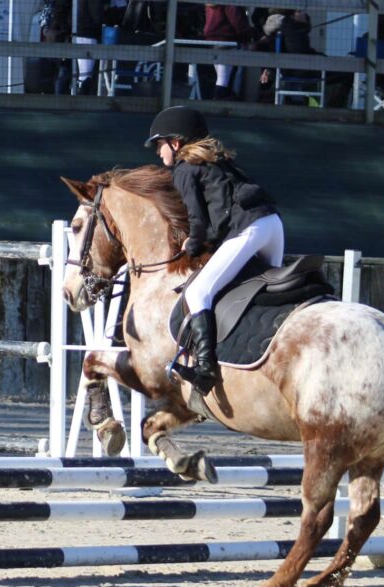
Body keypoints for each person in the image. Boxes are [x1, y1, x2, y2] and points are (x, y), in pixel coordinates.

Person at [144, 106, 283, 395]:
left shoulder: (184, 170)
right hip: (273, 225)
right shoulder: (217, 162)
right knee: (264, 290)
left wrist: (192, 244)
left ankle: (205, 368)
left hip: (249, 230)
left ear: (176, 143)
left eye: (160, 144)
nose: (158, 152)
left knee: (197, 293)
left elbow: (200, 221)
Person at [202, 4, 257, 100]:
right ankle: (219, 101)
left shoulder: (210, 4)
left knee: (221, 76)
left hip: (213, 40)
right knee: (224, 78)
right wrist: (250, 35)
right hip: (228, 40)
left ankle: (220, 99)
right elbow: (237, 21)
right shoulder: (231, 3)